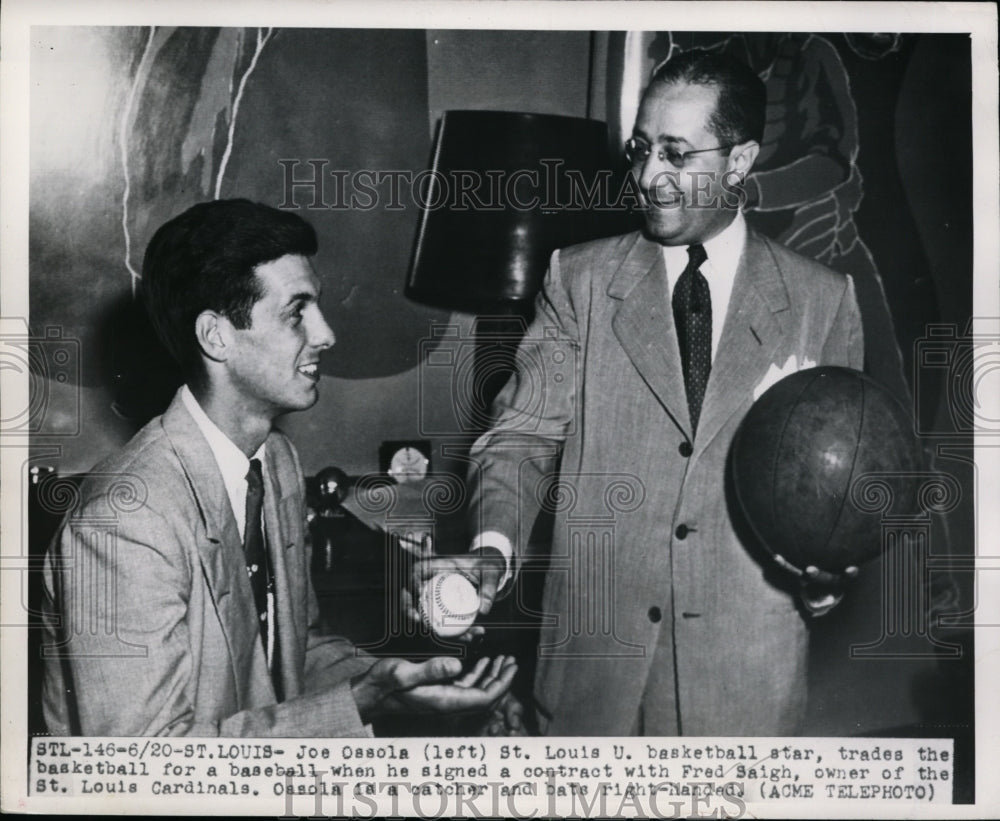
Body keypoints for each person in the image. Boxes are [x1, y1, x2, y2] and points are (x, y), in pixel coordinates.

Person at [413, 49, 863, 736]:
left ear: (739, 162)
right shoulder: (581, 280)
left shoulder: (822, 302)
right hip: (592, 684)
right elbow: (521, 436)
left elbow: (842, 486)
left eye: (678, 155)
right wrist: (491, 549)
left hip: (743, 692)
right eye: (642, 150)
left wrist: (828, 572)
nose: (649, 177)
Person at [41, 199, 515, 736]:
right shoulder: (124, 524)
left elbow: (292, 653)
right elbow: (147, 770)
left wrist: (399, 685)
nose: (326, 334)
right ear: (215, 336)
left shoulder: (277, 462)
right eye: (297, 312)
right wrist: (359, 703)